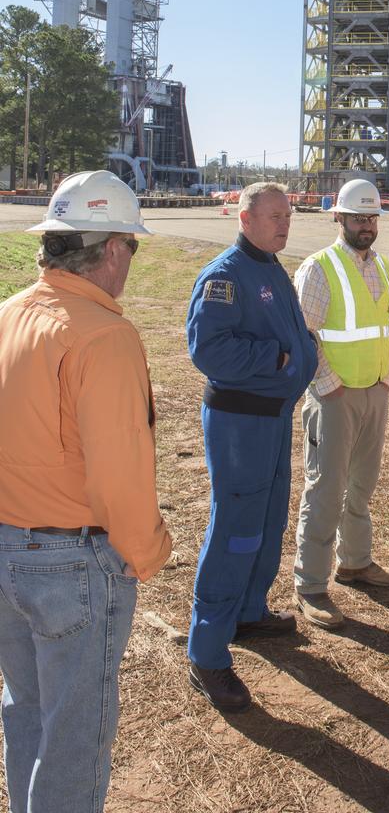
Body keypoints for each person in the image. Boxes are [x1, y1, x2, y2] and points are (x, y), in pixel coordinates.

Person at [0, 171, 172, 813]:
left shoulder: (10, 315)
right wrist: (145, 551)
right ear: (110, 250)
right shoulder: (104, 335)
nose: (131, 258)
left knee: (27, 713)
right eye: (132, 244)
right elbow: (119, 470)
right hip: (71, 564)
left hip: (6, 550)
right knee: (73, 739)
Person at [186, 182, 318, 713]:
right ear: (244, 218)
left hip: (272, 419)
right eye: (273, 217)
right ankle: (208, 652)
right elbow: (208, 349)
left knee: (266, 522)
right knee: (236, 529)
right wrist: (281, 360)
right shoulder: (225, 275)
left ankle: (247, 611)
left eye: (287, 216)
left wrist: (302, 352)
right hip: (240, 422)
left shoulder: (269, 265)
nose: (284, 225)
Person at [293, 178, 389, 629]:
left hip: (373, 390)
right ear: (337, 217)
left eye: (372, 217)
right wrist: (329, 384)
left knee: (362, 484)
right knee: (324, 490)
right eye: (358, 217)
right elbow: (304, 334)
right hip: (334, 397)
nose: (367, 225)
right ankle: (311, 585)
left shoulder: (382, 266)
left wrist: (387, 379)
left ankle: (356, 561)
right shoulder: (319, 268)